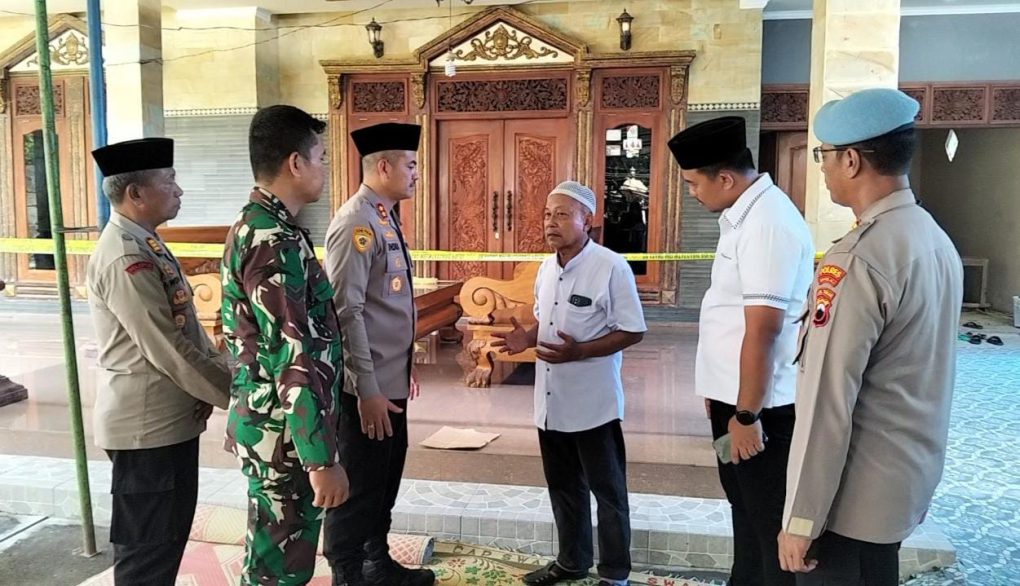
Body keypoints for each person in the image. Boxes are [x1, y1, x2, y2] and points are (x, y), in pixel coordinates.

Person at [778, 89, 963, 585]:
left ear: (852, 160)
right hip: (900, 483)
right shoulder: (931, 237)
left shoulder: (858, 258)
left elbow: (827, 402)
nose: (822, 167)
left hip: (848, 502)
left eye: (825, 156)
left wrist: (801, 517)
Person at [667, 117, 814, 586]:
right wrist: (721, 393)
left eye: (693, 183)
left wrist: (746, 414)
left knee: (767, 521)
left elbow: (764, 329)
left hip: (762, 409)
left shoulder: (768, 223)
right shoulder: (745, 216)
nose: (692, 193)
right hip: (737, 399)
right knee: (744, 513)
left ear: (725, 178)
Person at [87, 137, 231, 584]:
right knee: (147, 556)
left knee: (165, 544)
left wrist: (217, 380)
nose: (179, 190)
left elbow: (190, 332)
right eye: (169, 181)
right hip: (146, 430)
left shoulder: (146, 242)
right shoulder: (126, 256)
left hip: (165, 423)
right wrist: (237, 394)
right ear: (136, 193)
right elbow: (167, 347)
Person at [493, 181, 646, 586]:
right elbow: (547, 321)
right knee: (563, 488)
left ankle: (614, 575)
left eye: (562, 214)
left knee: (608, 494)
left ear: (587, 221)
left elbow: (633, 330)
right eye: (547, 214)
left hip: (593, 404)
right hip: (551, 403)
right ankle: (571, 562)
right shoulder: (546, 268)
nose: (551, 223)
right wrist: (526, 337)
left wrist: (582, 351)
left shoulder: (611, 267)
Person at [221, 105, 350, 585]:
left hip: (275, 432)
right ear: (295, 163)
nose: (324, 169)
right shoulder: (273, 238)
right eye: (320, 157)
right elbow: (290, 354)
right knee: (280, 571)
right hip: (287, 441)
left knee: (275, 564)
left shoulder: (263, 225)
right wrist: (321, 459)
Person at [323, 122, 434, 586]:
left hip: (389, 381)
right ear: (383, 166)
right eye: (410, 165)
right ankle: (347, 573)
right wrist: (367, 389)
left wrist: (402, 368)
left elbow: (387, 306)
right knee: (359, 487)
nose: (416, 173)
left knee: (383, 484)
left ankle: (377, 563)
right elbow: (347, 313)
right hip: (364, 390)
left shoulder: (384, 216)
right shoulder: (356, 222)